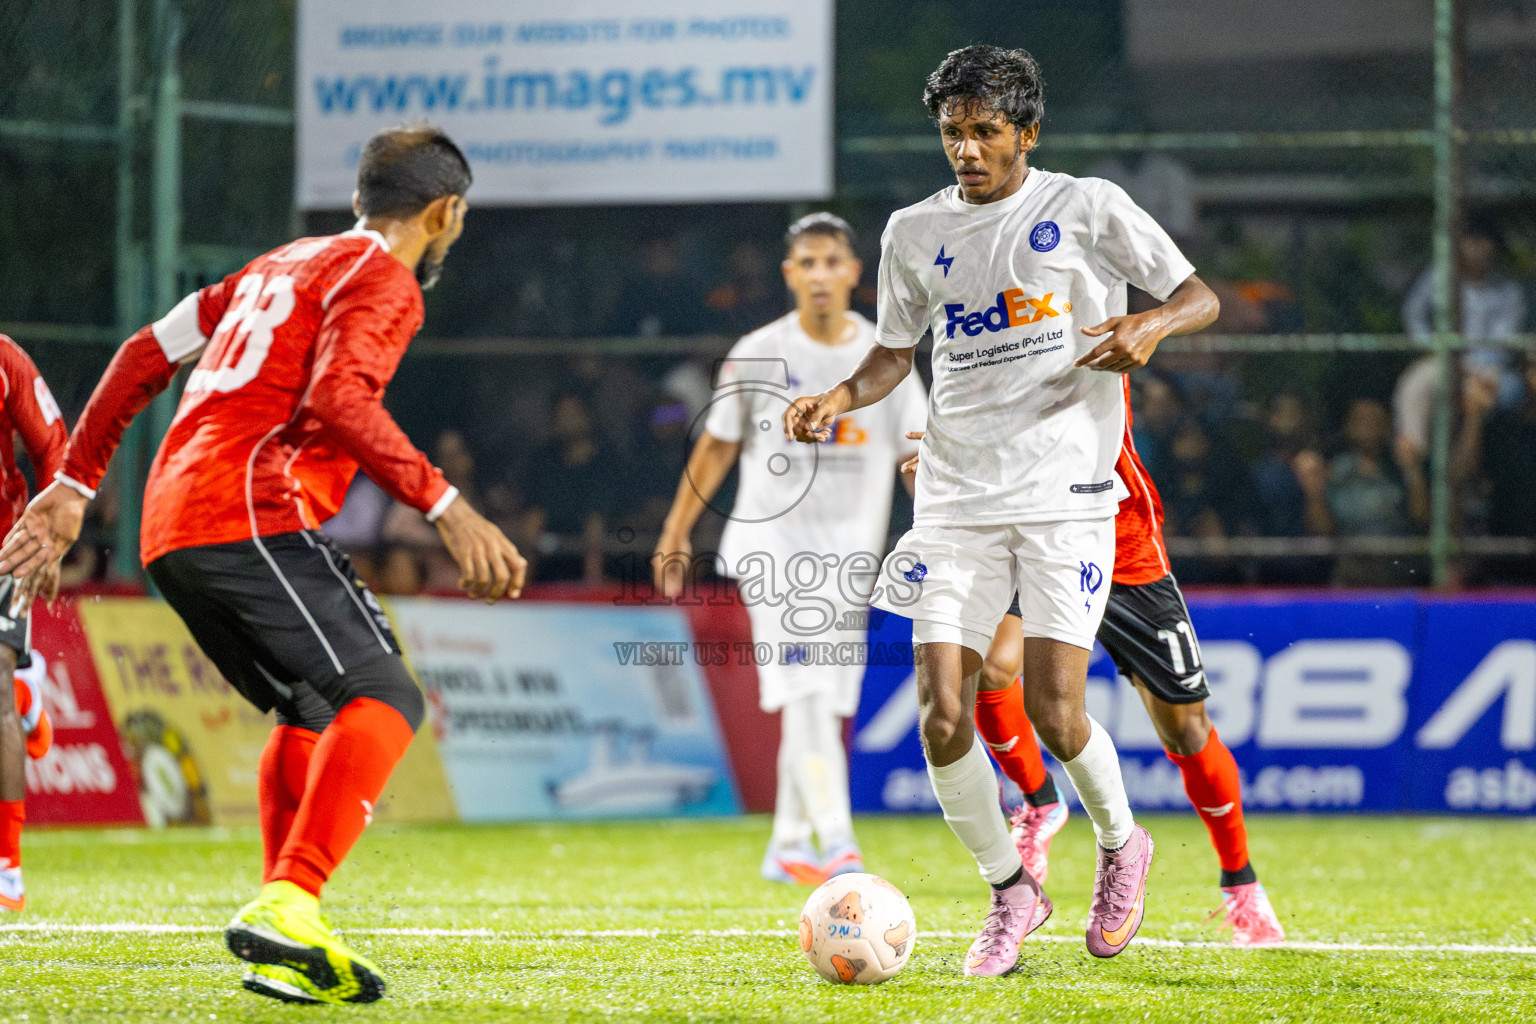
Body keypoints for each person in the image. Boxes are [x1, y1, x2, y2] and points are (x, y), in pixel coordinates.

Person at [0, 125, 526, 1004]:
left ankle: (284, 933)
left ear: (359, 199)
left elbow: (143, 354)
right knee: (385, 696)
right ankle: (292, 900)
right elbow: (339, 397)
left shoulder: (280, 263)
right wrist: (448, 506)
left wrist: (76, 484)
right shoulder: (384, 279)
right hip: (248, 510)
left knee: (312, 707)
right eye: (459, 219)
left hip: (171, 524)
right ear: (444, 212)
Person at [784, 46, 1219, 976]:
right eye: (954, 133)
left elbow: (1199, 295)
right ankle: (1010, 891)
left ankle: (1121, 843)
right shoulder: (912, 231)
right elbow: (894, 353)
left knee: (1057, 714)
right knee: (944, 713)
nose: (968, 150)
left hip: (1065, 500)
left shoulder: (1087, 207)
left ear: (1028, 132)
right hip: (954, 500)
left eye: (986, 131)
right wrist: (838, 396)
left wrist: (1150, 323)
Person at [934, 374, 1285, 946]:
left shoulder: (1081, 324)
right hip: (1034, 532)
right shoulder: (985, 334)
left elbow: (1152, 333)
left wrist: (1144, 331)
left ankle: (1239, 881)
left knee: (1186, 731)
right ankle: (1040, 802)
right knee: (993, 670)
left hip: (1121, 544)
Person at [654, 213, 926, 886]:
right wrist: (677, 530)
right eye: (807, 263)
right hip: (773, 552)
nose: (820, 275)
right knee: (806, 694)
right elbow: (716, 445)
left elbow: (917, 454)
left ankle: (786, 842)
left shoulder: (883, 359)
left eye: (832, 261)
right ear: (790, 274)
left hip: (850, 562)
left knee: (824, 703)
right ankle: (838, 842)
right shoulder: (758, 353)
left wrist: (941, 529)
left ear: (854, 272)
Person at [0, 336, 69, 913]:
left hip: (6, 544)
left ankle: (7, 867)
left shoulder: (5, 359)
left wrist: (51, 534)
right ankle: (27, 694)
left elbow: (52, 445)